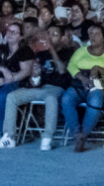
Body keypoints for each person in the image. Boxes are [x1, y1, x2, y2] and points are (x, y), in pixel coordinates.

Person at [0, 22, 73, 150]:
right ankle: (9, 137)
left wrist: (52, 50)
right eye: (48, 33)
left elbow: (62, 70)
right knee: (12, 97)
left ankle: (47, 137)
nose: (50, 36)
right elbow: (34, 82)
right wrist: (35, 75)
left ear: (62, 38)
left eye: (54, 34)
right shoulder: (41, 54)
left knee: (50, 98)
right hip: (39, 88)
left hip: (56, 88)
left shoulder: (68, 52)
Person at [61, 23, 104, 152]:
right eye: (91, 34)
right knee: (66, 99)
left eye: (97, 34)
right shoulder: (81, 51)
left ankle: (83, 136)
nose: (93, 37)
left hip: (101, 87)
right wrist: (82, 78)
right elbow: (71, 66)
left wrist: (99, 69)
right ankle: (76, 133)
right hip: (81, 84)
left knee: (95, 100)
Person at [0, 22, 35, 145]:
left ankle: (2, 133)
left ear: (21, 37)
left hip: (19, 84)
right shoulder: (2, 49)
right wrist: (3, 69)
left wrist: (8, 79)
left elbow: (25, 72)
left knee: (3, 96)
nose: (10, 34)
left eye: (14, 32)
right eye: (9, 31)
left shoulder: (25, 50)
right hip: (2, 81)